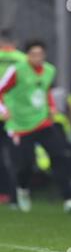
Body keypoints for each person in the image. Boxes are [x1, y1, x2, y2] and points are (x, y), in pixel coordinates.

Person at [0, 40, 71, 212]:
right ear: (27, 55)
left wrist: (51, 107)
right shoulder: (17, 70)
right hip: (20, 125)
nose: (37, 58)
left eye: (40, 54)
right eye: (33, 54)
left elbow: (45, 91)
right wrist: (3, 110)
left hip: (42, 122)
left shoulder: (49, 70)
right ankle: (23, 189)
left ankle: (69, 199)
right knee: (25, 164)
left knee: (60, 155)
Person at [0, 30, 26, 204]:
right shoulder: (23, 59)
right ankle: (18, 194)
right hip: (16, 116)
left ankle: (4, 193)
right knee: (17, 156)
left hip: (3, 111)